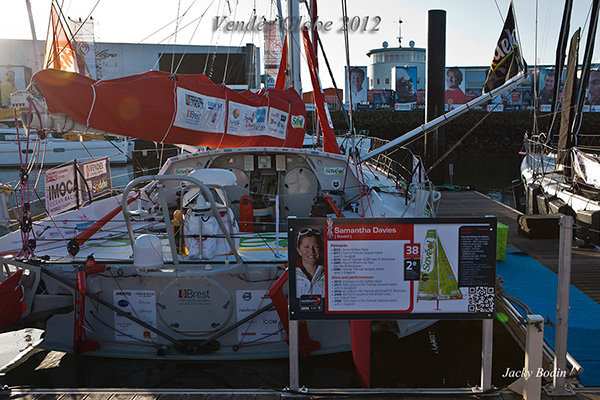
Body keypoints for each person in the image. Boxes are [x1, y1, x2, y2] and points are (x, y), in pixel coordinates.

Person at [295, 227, 325, 296]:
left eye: (315, 247)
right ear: (299, 250)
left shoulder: (329, 273)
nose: (311, 251)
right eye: (306, 247)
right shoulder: (291, 274)